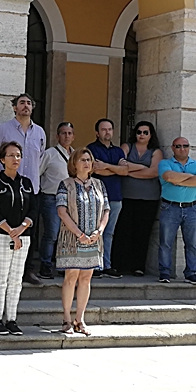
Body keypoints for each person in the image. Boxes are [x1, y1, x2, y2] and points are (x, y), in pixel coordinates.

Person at [0, 94, 46, 284]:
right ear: (14, 107)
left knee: (29, 231)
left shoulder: (40, 133)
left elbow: (41, 158)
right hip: (6, 190)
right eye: (22, 103)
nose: (25, 106)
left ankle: (27, 270)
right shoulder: (3, 130)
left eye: (29, 103)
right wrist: (3, 181)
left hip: (31, 188)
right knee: (3, 229)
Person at [55, 147, 110, 336]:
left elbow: (106, 210)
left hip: (94, 238)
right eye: (82, 160)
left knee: (86, 278)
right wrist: (79, 234)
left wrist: (99, 231)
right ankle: (67, 319)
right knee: (71, 277)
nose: (87, 163)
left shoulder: (99, 185)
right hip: (72, 239)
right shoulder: (66, 184)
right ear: (74, 164)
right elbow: (62, 211)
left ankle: (80, 319)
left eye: (89, 159)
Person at [0, 141, 37, 336]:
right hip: (1, 236)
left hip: (23, 237)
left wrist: (22, 227)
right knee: (0, 278)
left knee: (16, 280)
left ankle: (12, 319)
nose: (15, 159)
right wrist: (11, 231)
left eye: (18, 155)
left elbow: (33, 208)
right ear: (2, 159)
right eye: (11, 155)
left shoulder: (27, 183)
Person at [112, 121, 163, 277]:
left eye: (145, 132)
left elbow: (154, 172)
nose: (142, 135)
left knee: (142, 233)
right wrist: (141, 168)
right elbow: (120, 166)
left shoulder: (156, 152)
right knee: (123, 231)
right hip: (126, 196)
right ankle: (119, 265)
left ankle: (138, 266)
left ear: (151, 135)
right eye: (139, 132)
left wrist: (129, 170)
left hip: (149, 199)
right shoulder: (126, 147)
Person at [157, 137, 196, 285]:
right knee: (165, 242)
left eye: (185, 146)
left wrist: (178, 180)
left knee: (192, 243)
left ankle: (191, 273)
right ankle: (164, 273)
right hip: (170, 207)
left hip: (192, 208)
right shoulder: (165, 163)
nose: (182, 149)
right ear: (172, 148)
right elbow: (168, 176)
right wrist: (191, 178)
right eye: (178, 146)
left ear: (189, 147)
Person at [86, 118, 126, 279]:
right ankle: (94, 265)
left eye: (109, 129)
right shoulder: (90, 149)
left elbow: (125, 171)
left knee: (109, 233)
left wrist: (108, 166)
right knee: (95, 231)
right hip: (97, 196)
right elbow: (96, 170)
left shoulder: (118, 151)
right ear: (97, 132)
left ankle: (106, 265)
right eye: (103, 129)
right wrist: (116, 168)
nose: (107, 132)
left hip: (115, 196)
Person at [38, 122, 75, 280]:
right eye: (63, 133)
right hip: (51, 197)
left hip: (70, 199)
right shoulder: (49, 153)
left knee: (67, 234)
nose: (67, 136)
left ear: (73, 136)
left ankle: (62, 264)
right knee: (52, 233)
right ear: (57, 136)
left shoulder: (76, 154)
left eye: (69, 133)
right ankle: (45, 264)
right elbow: (37, 173)